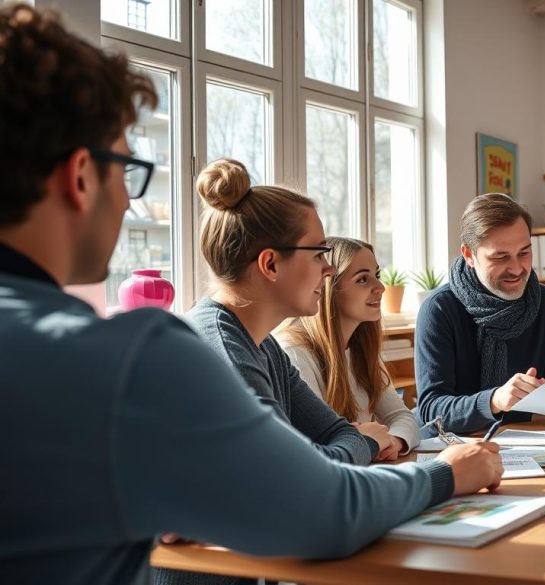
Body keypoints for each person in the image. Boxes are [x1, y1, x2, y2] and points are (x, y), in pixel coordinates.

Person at [0, 5, 502, 584]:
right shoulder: (125, 362)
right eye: (127, 170)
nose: (126, 199)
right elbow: (322, 509)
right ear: (81, 176)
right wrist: (449, 473)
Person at [183, 158, 394, 466]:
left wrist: (354, 441)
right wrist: (367, 442)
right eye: (319, 253)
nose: (329, 268)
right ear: (270, 264)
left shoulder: (263, 344)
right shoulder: (226, 352)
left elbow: (334, 432)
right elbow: (301, 471)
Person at [415, 192, 545, 434]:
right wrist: (495, 400)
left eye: (524, 253)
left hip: (521, 446)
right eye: (501, 257)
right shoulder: (439, 309)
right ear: (469, 255)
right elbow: (431, 411)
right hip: (452, 450)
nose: (516, 268)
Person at [276, 237, 420, 458]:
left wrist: (396, 440)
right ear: (328, 287)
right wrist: (370, 441)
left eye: (377, 275)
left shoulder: (361, 348)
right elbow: (314, 443)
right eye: (363, 279)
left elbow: (402, 416)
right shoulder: (294, 354)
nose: (380, 287)